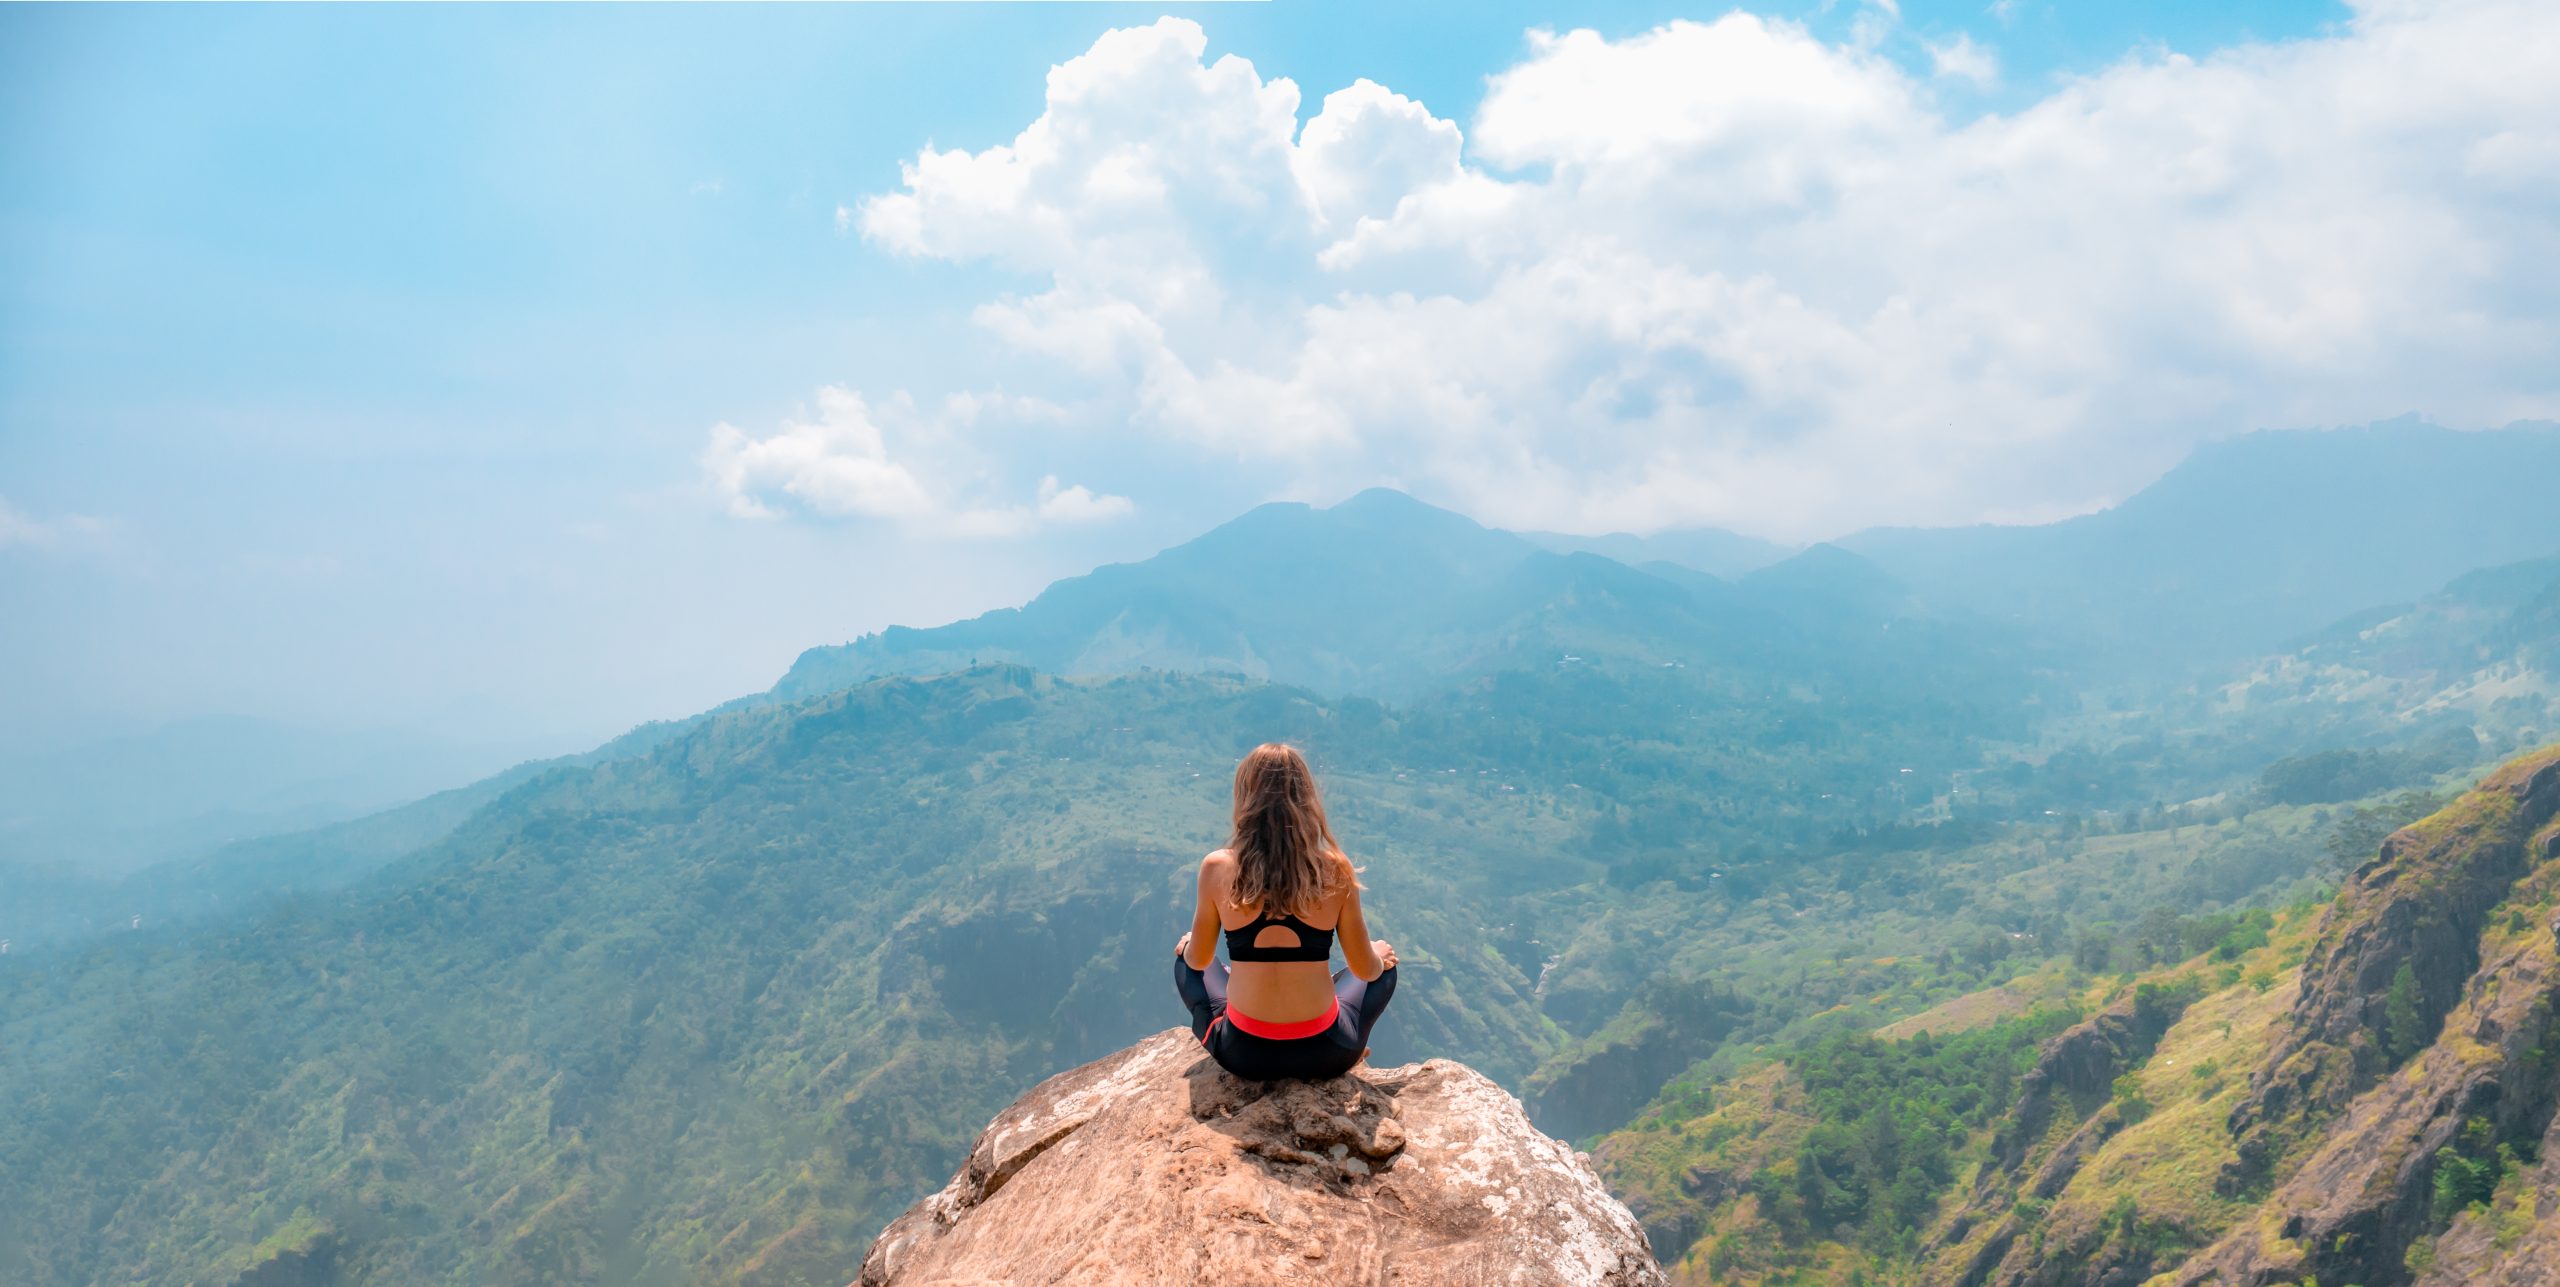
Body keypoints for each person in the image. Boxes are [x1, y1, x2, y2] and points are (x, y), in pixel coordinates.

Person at [1174, 742, 1398, 1081]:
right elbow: (1365, 969)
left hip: (1244, 1055)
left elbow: (1198, 961)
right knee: (1384, 969)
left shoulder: (1217, 868)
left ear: (1245, 797)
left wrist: (1190, 946)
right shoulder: (1335, 870)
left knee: (1185, 962)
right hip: (1326, 1052)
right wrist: (1378, 957)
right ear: (1306, 799)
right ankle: (1349, 1046)